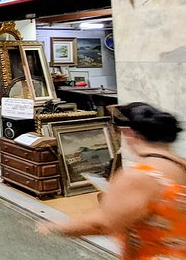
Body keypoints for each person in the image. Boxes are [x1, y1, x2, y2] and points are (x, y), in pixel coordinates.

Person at [38, 102, 186, 260]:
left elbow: (102, 224)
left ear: (128, 133)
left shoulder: (139, 176)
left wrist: (57, 227)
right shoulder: (181, 165)